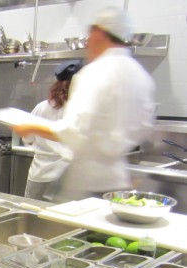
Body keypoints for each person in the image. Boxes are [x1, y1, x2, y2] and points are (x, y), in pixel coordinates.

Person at [13, 7, 156, 202]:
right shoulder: (140, 75)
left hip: (86, 184)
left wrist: (31, 126)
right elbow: (144, 127)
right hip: (118, 181)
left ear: (98, 33)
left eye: (89, 35)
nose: (88, 42)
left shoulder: (96, 72)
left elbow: (74, 131)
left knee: (69, 232)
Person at [23, 61, 82, 201]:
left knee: (33, 216)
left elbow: (28, 138)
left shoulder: (42, 107)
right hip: (66, 177)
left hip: (40, 173)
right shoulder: (79, 111)